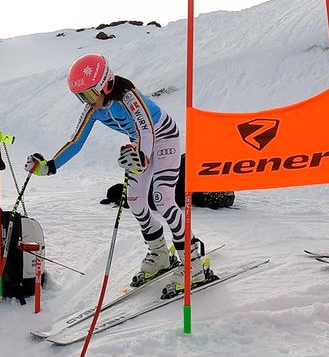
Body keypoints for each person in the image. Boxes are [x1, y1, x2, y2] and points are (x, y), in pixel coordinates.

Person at [24, 53, 207, 288]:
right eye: (81, 97)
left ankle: (192, 263)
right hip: (139, 145)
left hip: (163, 138)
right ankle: (159, 253)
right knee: (135, 200)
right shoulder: (93, 109)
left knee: (162, 199)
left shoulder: (128, 97)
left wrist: (142, 155)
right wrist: (49, 166)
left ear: (107, 84)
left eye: (90, 94)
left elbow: (146, 129)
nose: (88, 101)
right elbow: (76, 141)